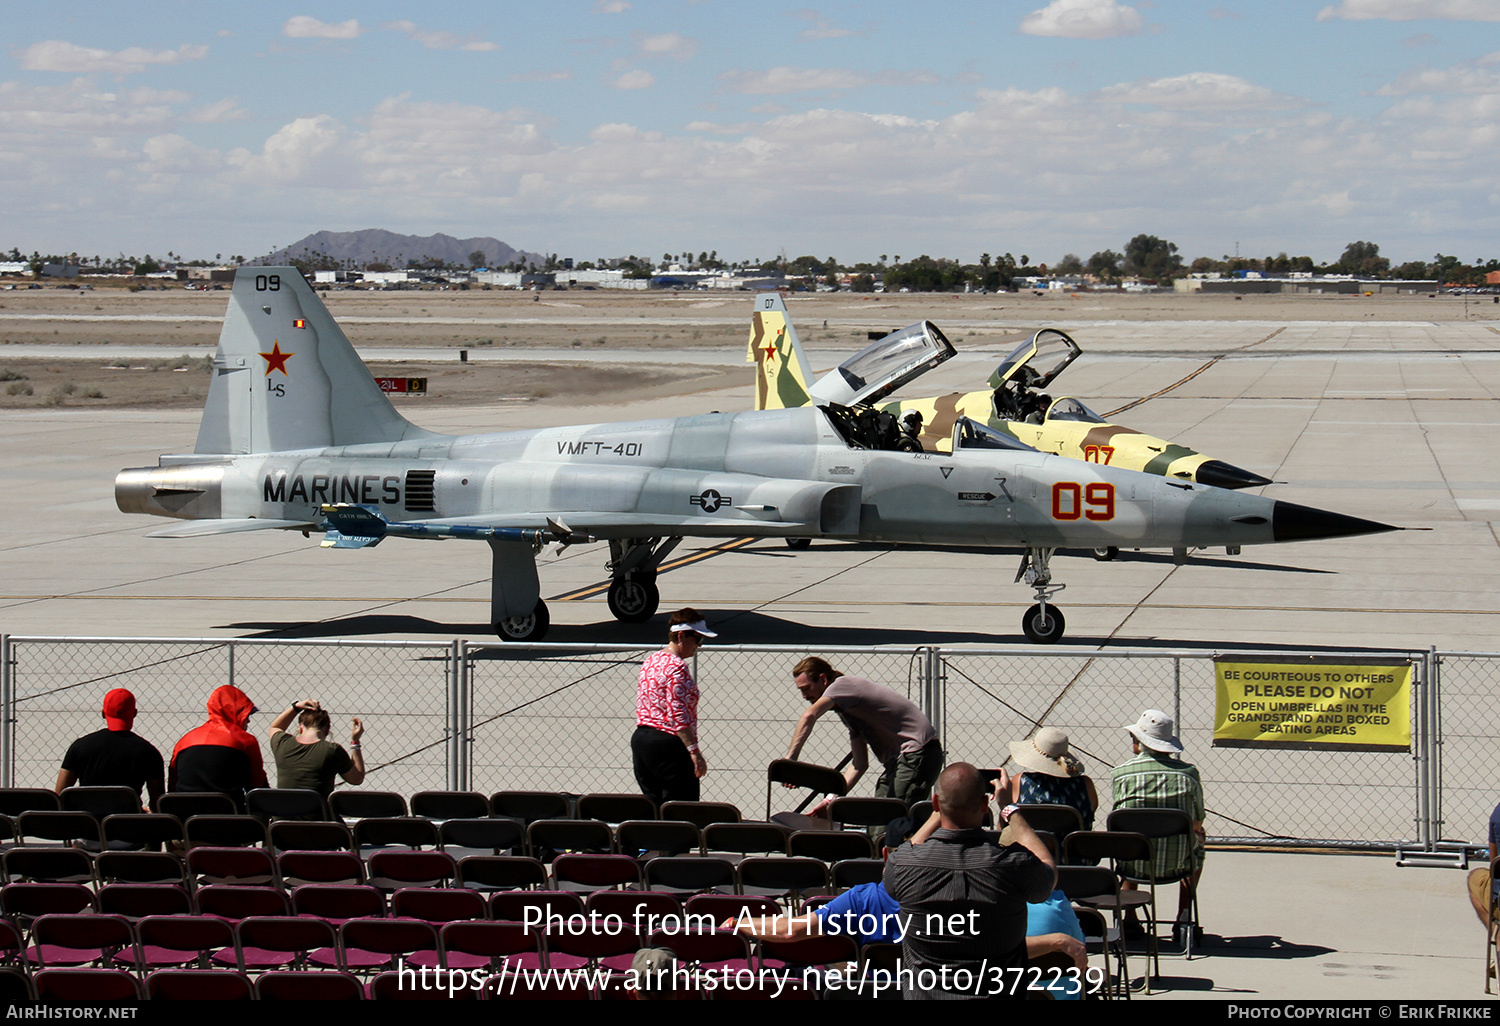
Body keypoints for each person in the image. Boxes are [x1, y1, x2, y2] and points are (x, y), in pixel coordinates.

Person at [883, 762, 1056, 1000]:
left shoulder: (904, 865)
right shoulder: (1012, 864)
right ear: (985, 805)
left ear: (935, 804)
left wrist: (939, 813)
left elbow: (899, 858)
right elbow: (1047, 871)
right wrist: (1009, 808)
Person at [785, 656, 941, 806]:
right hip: (901, 760)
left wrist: (790, 762)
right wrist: (829, 801)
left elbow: (809, 715)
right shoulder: (850, 710)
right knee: (878, 819)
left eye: (807, 688)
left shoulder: (842, 686)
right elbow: (859, 764)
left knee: (895, 815)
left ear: (823, 679)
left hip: (918, 752)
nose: (804, 696)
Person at [1111, 709, 1206, 932]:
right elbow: (1197, 821)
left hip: (1133, 864)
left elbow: (1118, 819)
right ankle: (1183, 917)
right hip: (1178, 863)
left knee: (1129, 838)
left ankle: (1131, 916)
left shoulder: (1121, 774)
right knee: (1199, 840)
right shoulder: (1188, 774)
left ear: (1140, 741)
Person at [632, 608, 715, 806]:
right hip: (668, 744)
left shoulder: (651, 660)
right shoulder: (677, 667)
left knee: (653, 806)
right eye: (697, 640)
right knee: (681, 809)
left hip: (642, 741)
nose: (699, 646)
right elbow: (677, 714)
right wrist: (694, 752)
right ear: (681, 636)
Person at [54, 688, 163, 809]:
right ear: (134, 713)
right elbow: (157, 802)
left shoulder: (80, 746)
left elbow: (60, 795)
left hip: (87, 821)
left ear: (103, 713)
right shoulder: (149, 752)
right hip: (128, 823)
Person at [167, 684, 266, 809]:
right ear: (236, 712)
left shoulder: (185, 740)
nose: (248, 721)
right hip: (227, 818)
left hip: (185, 815)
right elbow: (257, 787)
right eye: (247, 715)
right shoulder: (245, 740)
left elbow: (172, 784)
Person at [998, 725, 1098, 830]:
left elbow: (1007, 818)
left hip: (1028, 845)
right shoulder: (1085, 785)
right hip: (1072, 846)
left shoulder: (1020, 782)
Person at [268, 700, 365, 797]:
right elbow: (357, 779)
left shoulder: (282, 743)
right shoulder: (332, 750)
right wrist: (355, 742)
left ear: (300, 727)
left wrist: (296, 707)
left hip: (282, 810)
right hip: (317, 811)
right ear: (327, 730)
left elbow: (275, 727)